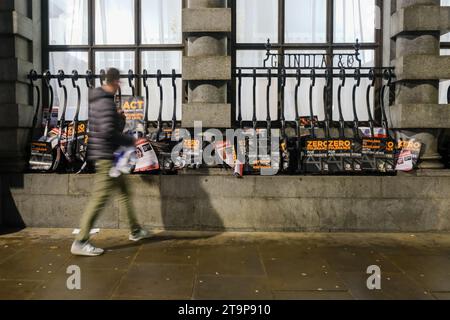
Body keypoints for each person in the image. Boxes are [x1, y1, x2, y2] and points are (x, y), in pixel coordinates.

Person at [71, 68, 151, 257]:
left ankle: (135, 230)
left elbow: (105, 126)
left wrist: (119, 117)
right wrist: (131, 141)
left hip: (111, 157)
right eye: (119, 82)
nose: (120, 85)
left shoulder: (99, 101)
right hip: (106, 158)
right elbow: (108, 133)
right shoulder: (105, 103)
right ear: (114, 82)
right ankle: (81, 241)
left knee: (124, 193)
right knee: (99, 199)